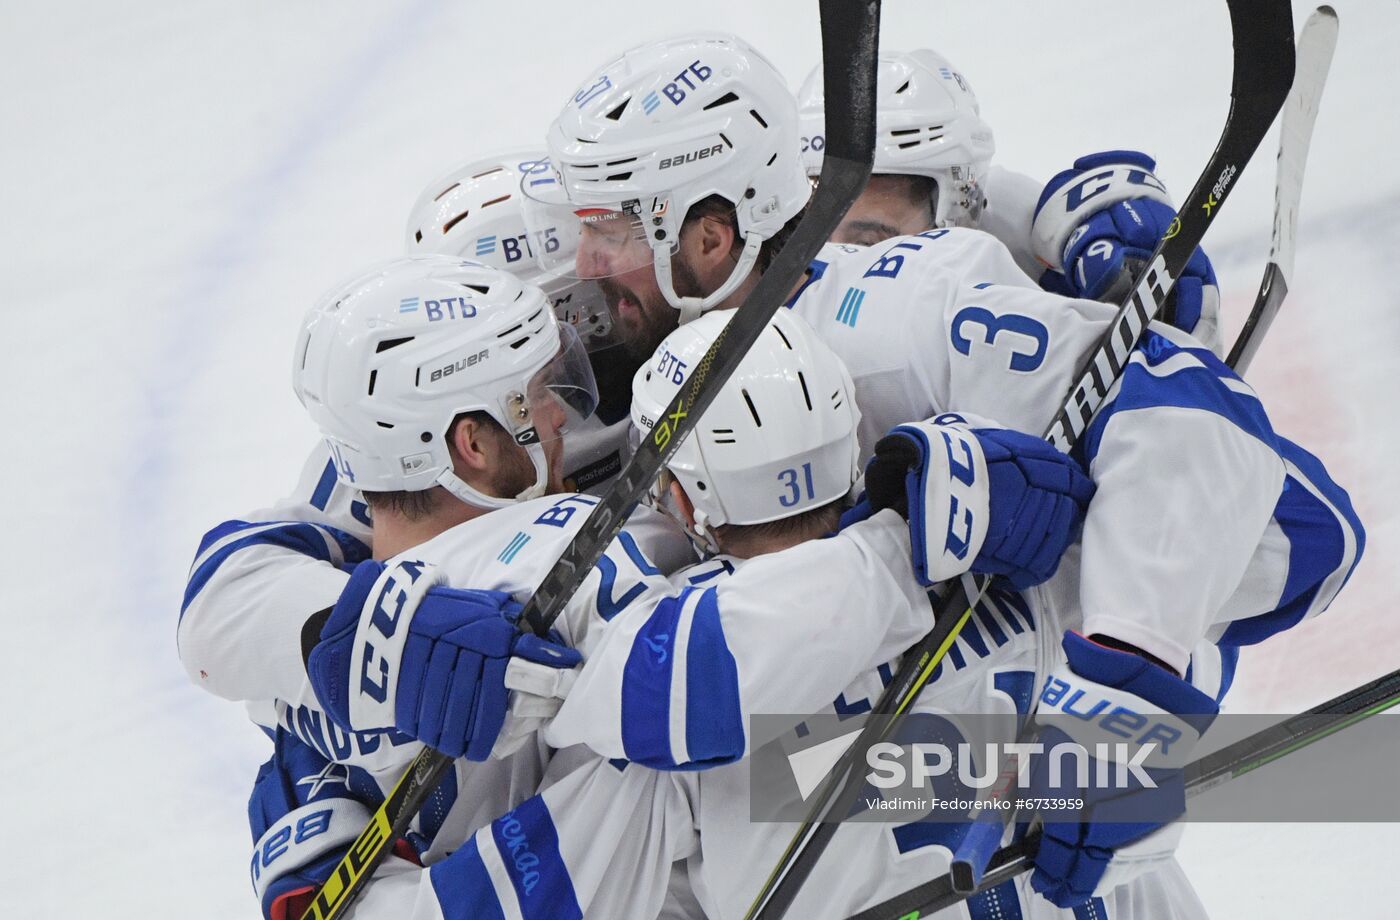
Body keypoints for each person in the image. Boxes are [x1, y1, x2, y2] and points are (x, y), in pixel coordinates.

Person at [248, 262, 1092, 918]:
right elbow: (1165, 773)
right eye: (542, 396)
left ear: (680, 494)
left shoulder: (666, 704)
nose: (562, 421)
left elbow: (674, 704)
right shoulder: (1004, 579)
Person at [795, 48, 1222, 352]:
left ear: (958, 210)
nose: (833, 262)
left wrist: (1167, 313)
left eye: (870, 243)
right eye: (809, 231)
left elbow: (1195, 372)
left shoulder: (1024, 247)